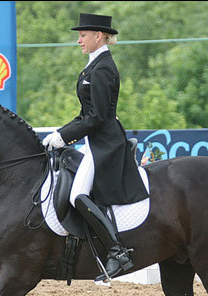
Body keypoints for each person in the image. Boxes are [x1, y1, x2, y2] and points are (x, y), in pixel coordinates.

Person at [43, 12, 149, 282]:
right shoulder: (94, 65)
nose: (79, 40)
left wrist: (65, 137)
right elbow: (85, 114)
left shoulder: (102, 68)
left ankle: (117, 251)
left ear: (98, 36)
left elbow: (98, 116)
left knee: (78, 195)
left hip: (106, 144)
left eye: (83, 35)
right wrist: (59, 133)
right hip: (96, 141)